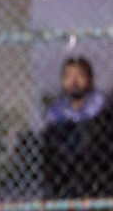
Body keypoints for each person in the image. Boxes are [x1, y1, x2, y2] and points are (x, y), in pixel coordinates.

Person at [43, 57, 106, 199]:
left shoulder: (99, 102)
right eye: (68, 76)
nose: (74, 81)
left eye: (80, 75)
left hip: (93, 162)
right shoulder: (58, 107)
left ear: (89, 79)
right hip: (66, 164)